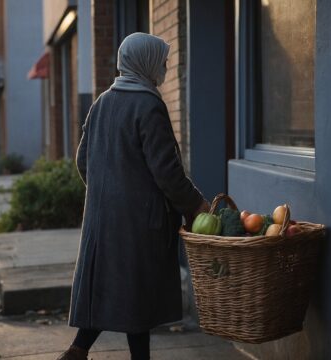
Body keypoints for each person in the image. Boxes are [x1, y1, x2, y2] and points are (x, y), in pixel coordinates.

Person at [57, 32, 210, 360]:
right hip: (140, 222)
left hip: (104, 219)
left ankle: (77, 350)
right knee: (135, 295)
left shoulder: (101, 103)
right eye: (162, 61)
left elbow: (83, 161)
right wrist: (196, 204)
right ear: (145, 62)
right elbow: (167, 172)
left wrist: (108, 195)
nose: (165, 67)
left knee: (116, 290)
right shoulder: (148, 104)